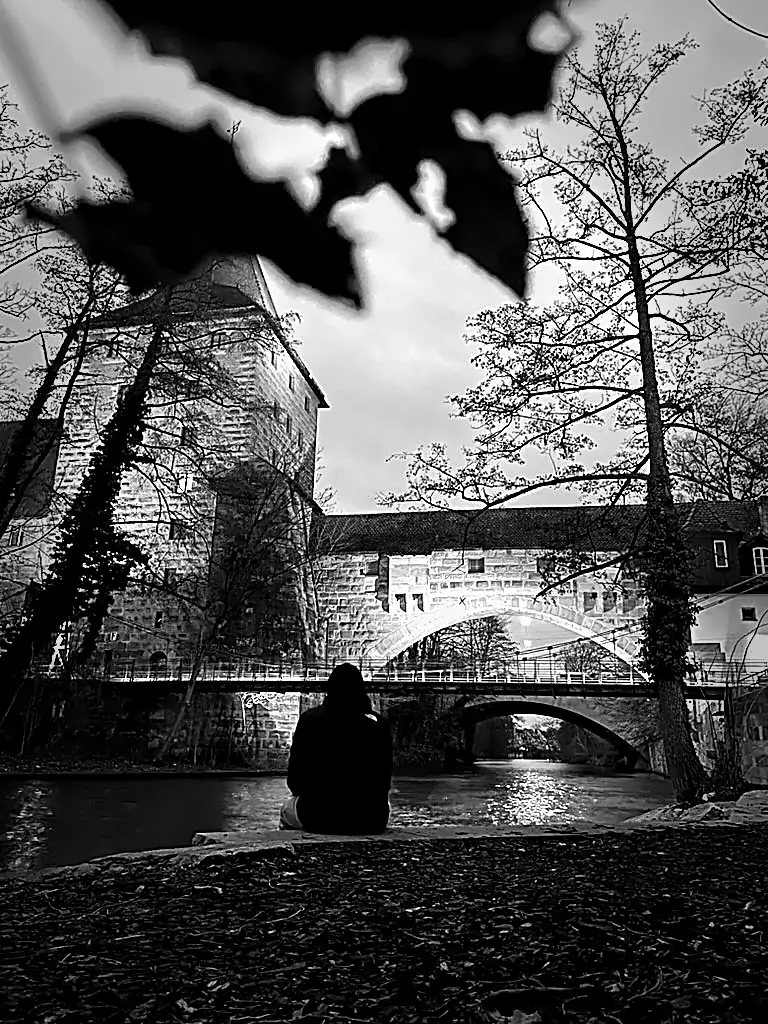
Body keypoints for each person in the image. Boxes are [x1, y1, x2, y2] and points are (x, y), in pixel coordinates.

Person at [279, 662, 393, 834]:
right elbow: (384, 779)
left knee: (286, 809)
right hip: (371, 820)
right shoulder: (379, 724)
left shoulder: (310, 720)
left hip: (319, 817)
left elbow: (295, 780)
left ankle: (291, 850)